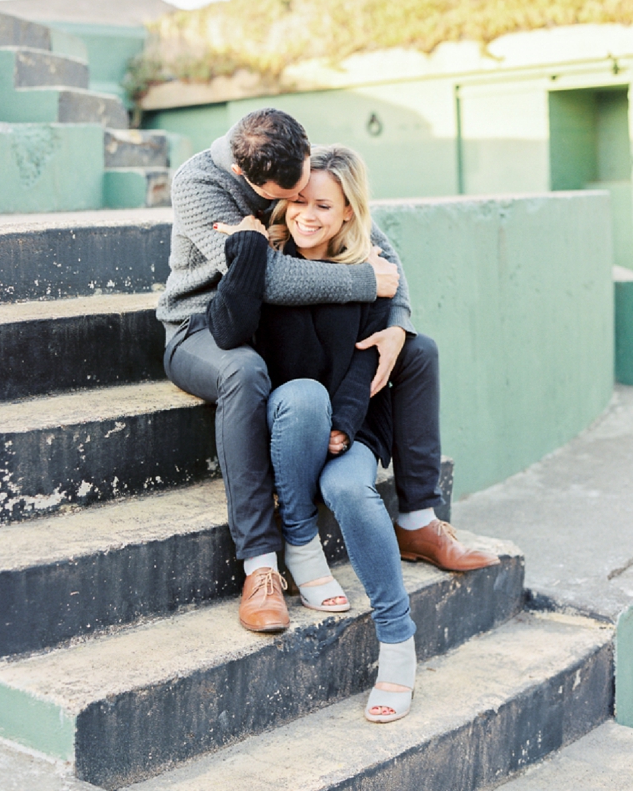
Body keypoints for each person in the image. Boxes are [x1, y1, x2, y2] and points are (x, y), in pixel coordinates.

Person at [158, 108, 495, 635]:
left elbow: (379, 249)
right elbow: (264, 281)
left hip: (278, 324)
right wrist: (366, 284)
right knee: (245, 372)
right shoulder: (200, 184)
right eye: (288, 199)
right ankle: (261, 567)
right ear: (251, 182)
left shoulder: (296, 162)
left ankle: (418, 522)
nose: (300, 206)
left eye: (308, 190)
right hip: (204, 328)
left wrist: (397, 325)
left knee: (419, 351)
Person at [207, 144, 450, 722]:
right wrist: (244, 251)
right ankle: (298, 538)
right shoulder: (270, 261)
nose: (306, 214)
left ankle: (397, 643)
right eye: (298, 201)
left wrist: (344, 430)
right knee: (300, 394)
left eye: (324, 205)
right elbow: (227, 330)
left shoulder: (366, 274)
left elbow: (367, 364)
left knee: (346, 489)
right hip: (293, 430)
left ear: (347, 213)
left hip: (353, 426)